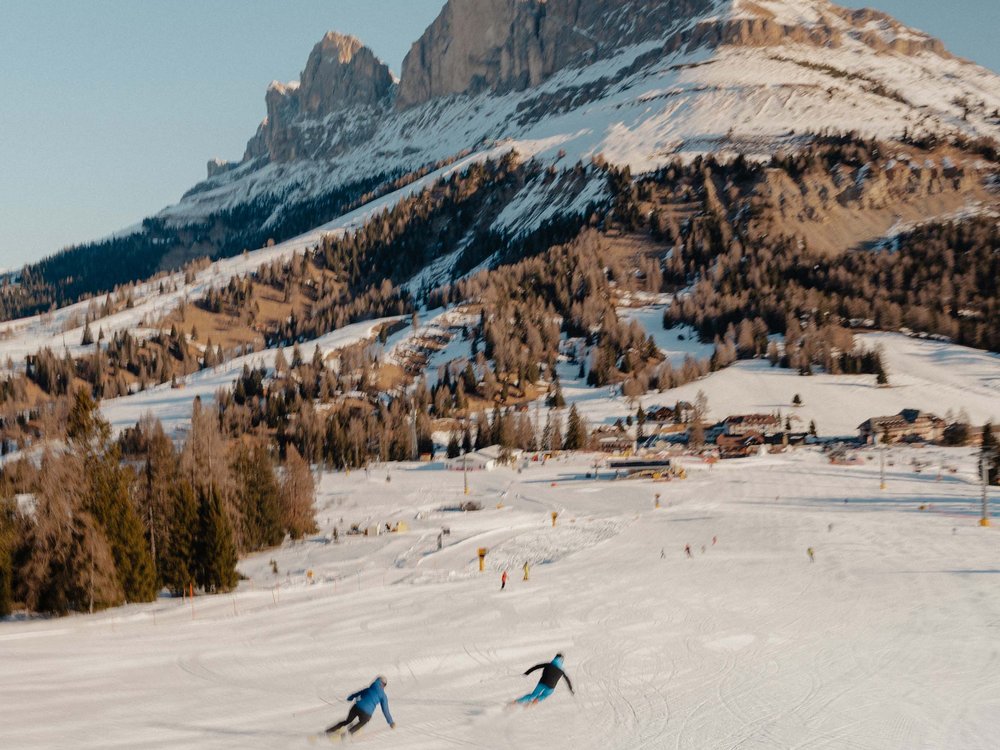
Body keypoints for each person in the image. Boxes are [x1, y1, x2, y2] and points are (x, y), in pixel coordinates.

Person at [326, 676, 395, 737]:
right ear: (383, 685)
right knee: (363, 722)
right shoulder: (383, 696)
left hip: (356, 707)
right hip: (366, 713)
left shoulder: (368, 689)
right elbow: (385, 710)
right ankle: (348, 734)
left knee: (347, 720)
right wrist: (391, 722)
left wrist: (350, 698)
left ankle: (330, 730)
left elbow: (356, 694)